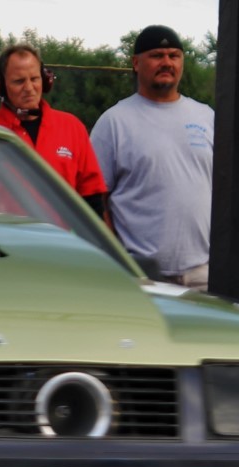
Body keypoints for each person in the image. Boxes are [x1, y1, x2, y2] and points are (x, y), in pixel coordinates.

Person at [90, 25, 215, 291]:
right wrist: (117, 256)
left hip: (203, 273)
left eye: (174, 56)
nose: (167, 62)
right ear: (136, 63)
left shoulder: (206, 117)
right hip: (140, 275)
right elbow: (96, 200)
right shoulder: (114, 122)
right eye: (157, 55)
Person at [0, 44, 106, 217]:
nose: (29, 88)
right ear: (1, 86)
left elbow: (92, 197)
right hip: (3, 233)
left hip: (60, 234)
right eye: (19, 81)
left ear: (45, 81)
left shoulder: (72, 127)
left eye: (34, 79)